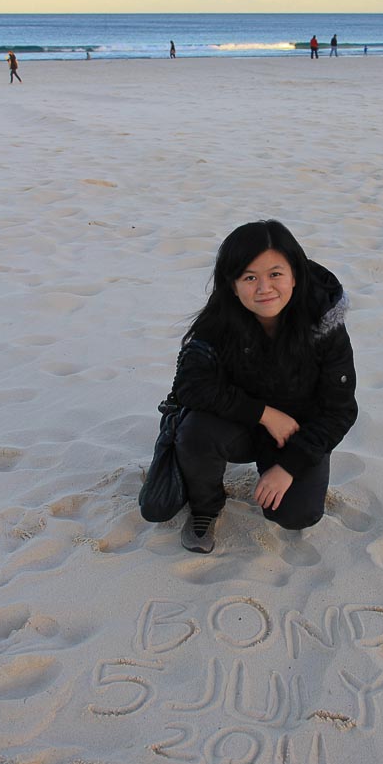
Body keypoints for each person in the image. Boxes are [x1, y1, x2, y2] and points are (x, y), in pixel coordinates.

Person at [162, 220, 358, 553]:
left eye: (275, 275)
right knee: (195, 430)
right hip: (240, 422)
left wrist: (289, 466)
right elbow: (189, 386)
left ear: (295, 276)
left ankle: (279, 469)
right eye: (250, 277)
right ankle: (205, 506)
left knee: (297, 515)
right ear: (233, 283)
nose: (264, 288)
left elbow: (340, 410)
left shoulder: (322, 323)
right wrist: (264, 414)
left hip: (296, 430)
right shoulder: (221, 319)